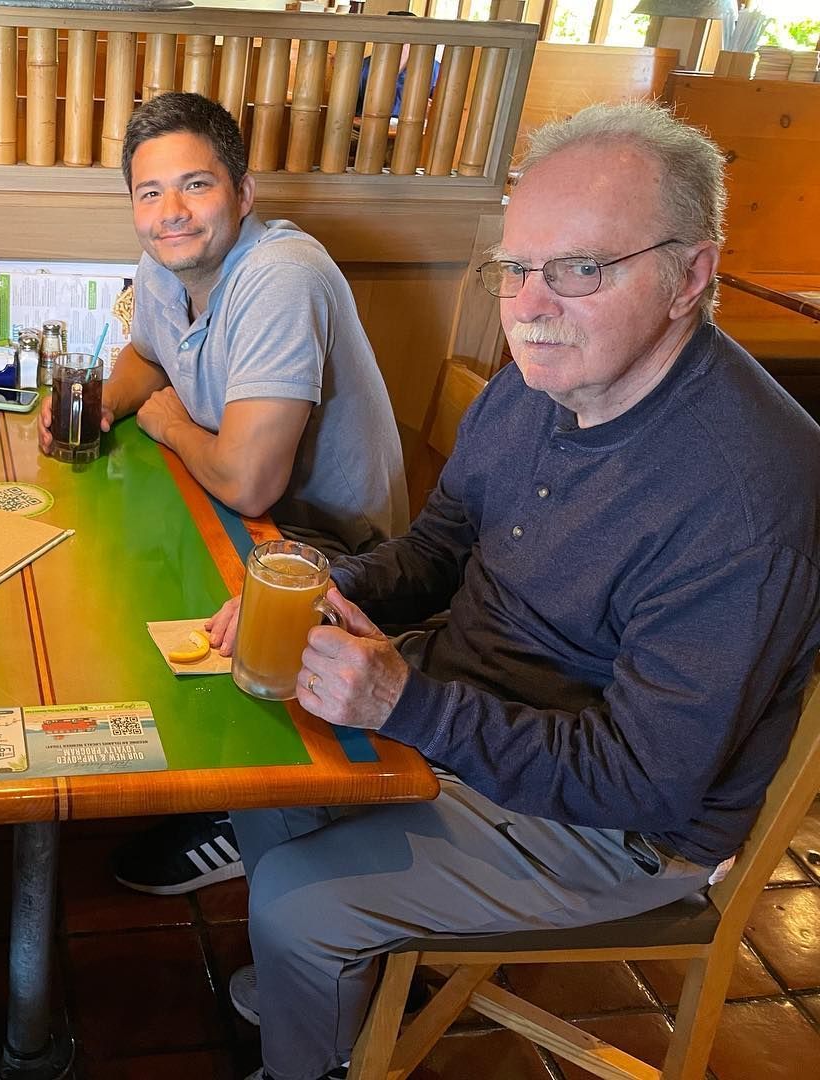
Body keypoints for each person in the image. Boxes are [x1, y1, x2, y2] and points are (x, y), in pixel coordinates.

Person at [199, 101, 820, 1080]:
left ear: (689, 276)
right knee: (264, 758)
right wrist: (331, 584)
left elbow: (647, 781)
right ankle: (316, 986)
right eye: (516, 268)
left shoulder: (747, 497)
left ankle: (308, 1023)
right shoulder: (539, 381)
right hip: (474, 707)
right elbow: (440, 549)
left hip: (625, 828)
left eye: (579, 269)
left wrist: (404, 703)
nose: (528, 305)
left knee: (293, 905)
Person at [37, 91, 408, 896]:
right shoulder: (168, 259)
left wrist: (166, 422)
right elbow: (144, 354)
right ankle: (207, 780)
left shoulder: (280, 275)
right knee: (106, 573)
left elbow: (248, 482)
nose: (170, 212)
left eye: (195, 187)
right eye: (149, 193)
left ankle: (250, 809)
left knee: (130, 597)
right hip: (244, 523)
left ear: (242, 194)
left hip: (325, 553)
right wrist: (102, 401)